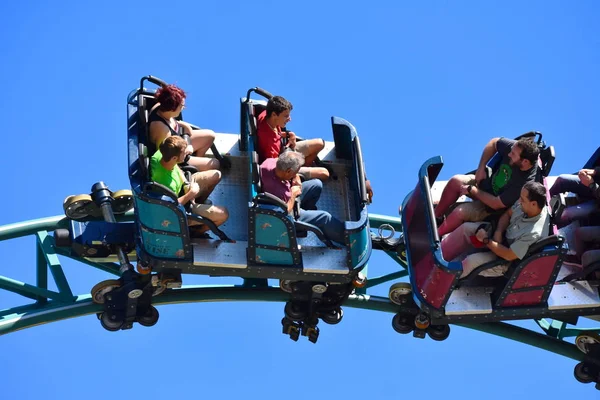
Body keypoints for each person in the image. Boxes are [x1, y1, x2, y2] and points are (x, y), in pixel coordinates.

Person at [440, 181, 549, 278]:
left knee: (471, 261)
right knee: (466, 228)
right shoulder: (526, 203)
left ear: (533, 204)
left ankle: (443, 279)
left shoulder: (533, 233)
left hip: (503, 260)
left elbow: (508, 255)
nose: (519, 201)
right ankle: (438, 258)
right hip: (500, 237)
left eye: (523, 200)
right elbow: (507, 215)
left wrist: (486, 240)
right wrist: (498, 232)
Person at [435, 137, 540, 236]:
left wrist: (473, 191)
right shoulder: (516, 147)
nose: (509, 154)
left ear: (525, 161)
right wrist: (481, 167)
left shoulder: (524, 184)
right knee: (456, 181)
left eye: (513, 154)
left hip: (491, 207)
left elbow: (496, 204)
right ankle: (436, 216)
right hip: (486, 183)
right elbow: (494, 142)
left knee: (460, 212)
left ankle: (436, 235)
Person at [260, 151, 345, 245]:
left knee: (316, 184)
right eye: (295, 171)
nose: (296, 173)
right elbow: (285, 213)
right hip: (288, 214)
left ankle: (307, 211)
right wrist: (293, 194)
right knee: (324, 217)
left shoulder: (270, 162)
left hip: (289, 194)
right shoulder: (279, 191)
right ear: (288, 171)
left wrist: (295, 176)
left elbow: (280, 163)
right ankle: (347, 239)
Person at [151, 136, 228, 236]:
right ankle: (197, 232)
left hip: (185, 187)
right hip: (180, 209)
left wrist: (186, 184)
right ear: (174, 158)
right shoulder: (165, 184)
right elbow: (170, 208)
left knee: (216, 175)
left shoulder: (161, 154)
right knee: (223, 214)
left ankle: (200, 202)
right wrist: (190, 194)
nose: (186, 153)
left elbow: (176, 167)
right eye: (184, 153)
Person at [148, 84, 220, 172]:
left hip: (181, 142)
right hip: (177, 156)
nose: (183, 108)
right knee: (215, 164)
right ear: (172, 109)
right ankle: (192, 171)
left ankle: (198, 165)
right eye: (182, 106)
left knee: (210, 135)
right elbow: (167, 157)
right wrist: (185, 150)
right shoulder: (163, 131)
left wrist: (188, 144)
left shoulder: (161, 107)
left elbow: (179, 124)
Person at [256, 95, 329, 181]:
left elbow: (276, 134)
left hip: (285, 149)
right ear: (274, 114)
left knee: (319, 143)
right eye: (286, 116)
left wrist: (289, 134)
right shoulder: (270, 146)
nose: (289, 119)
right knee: (324, 173)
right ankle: (298, 173)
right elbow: (278, 168)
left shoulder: (266, 115)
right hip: (284, 163)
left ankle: (304, 166)